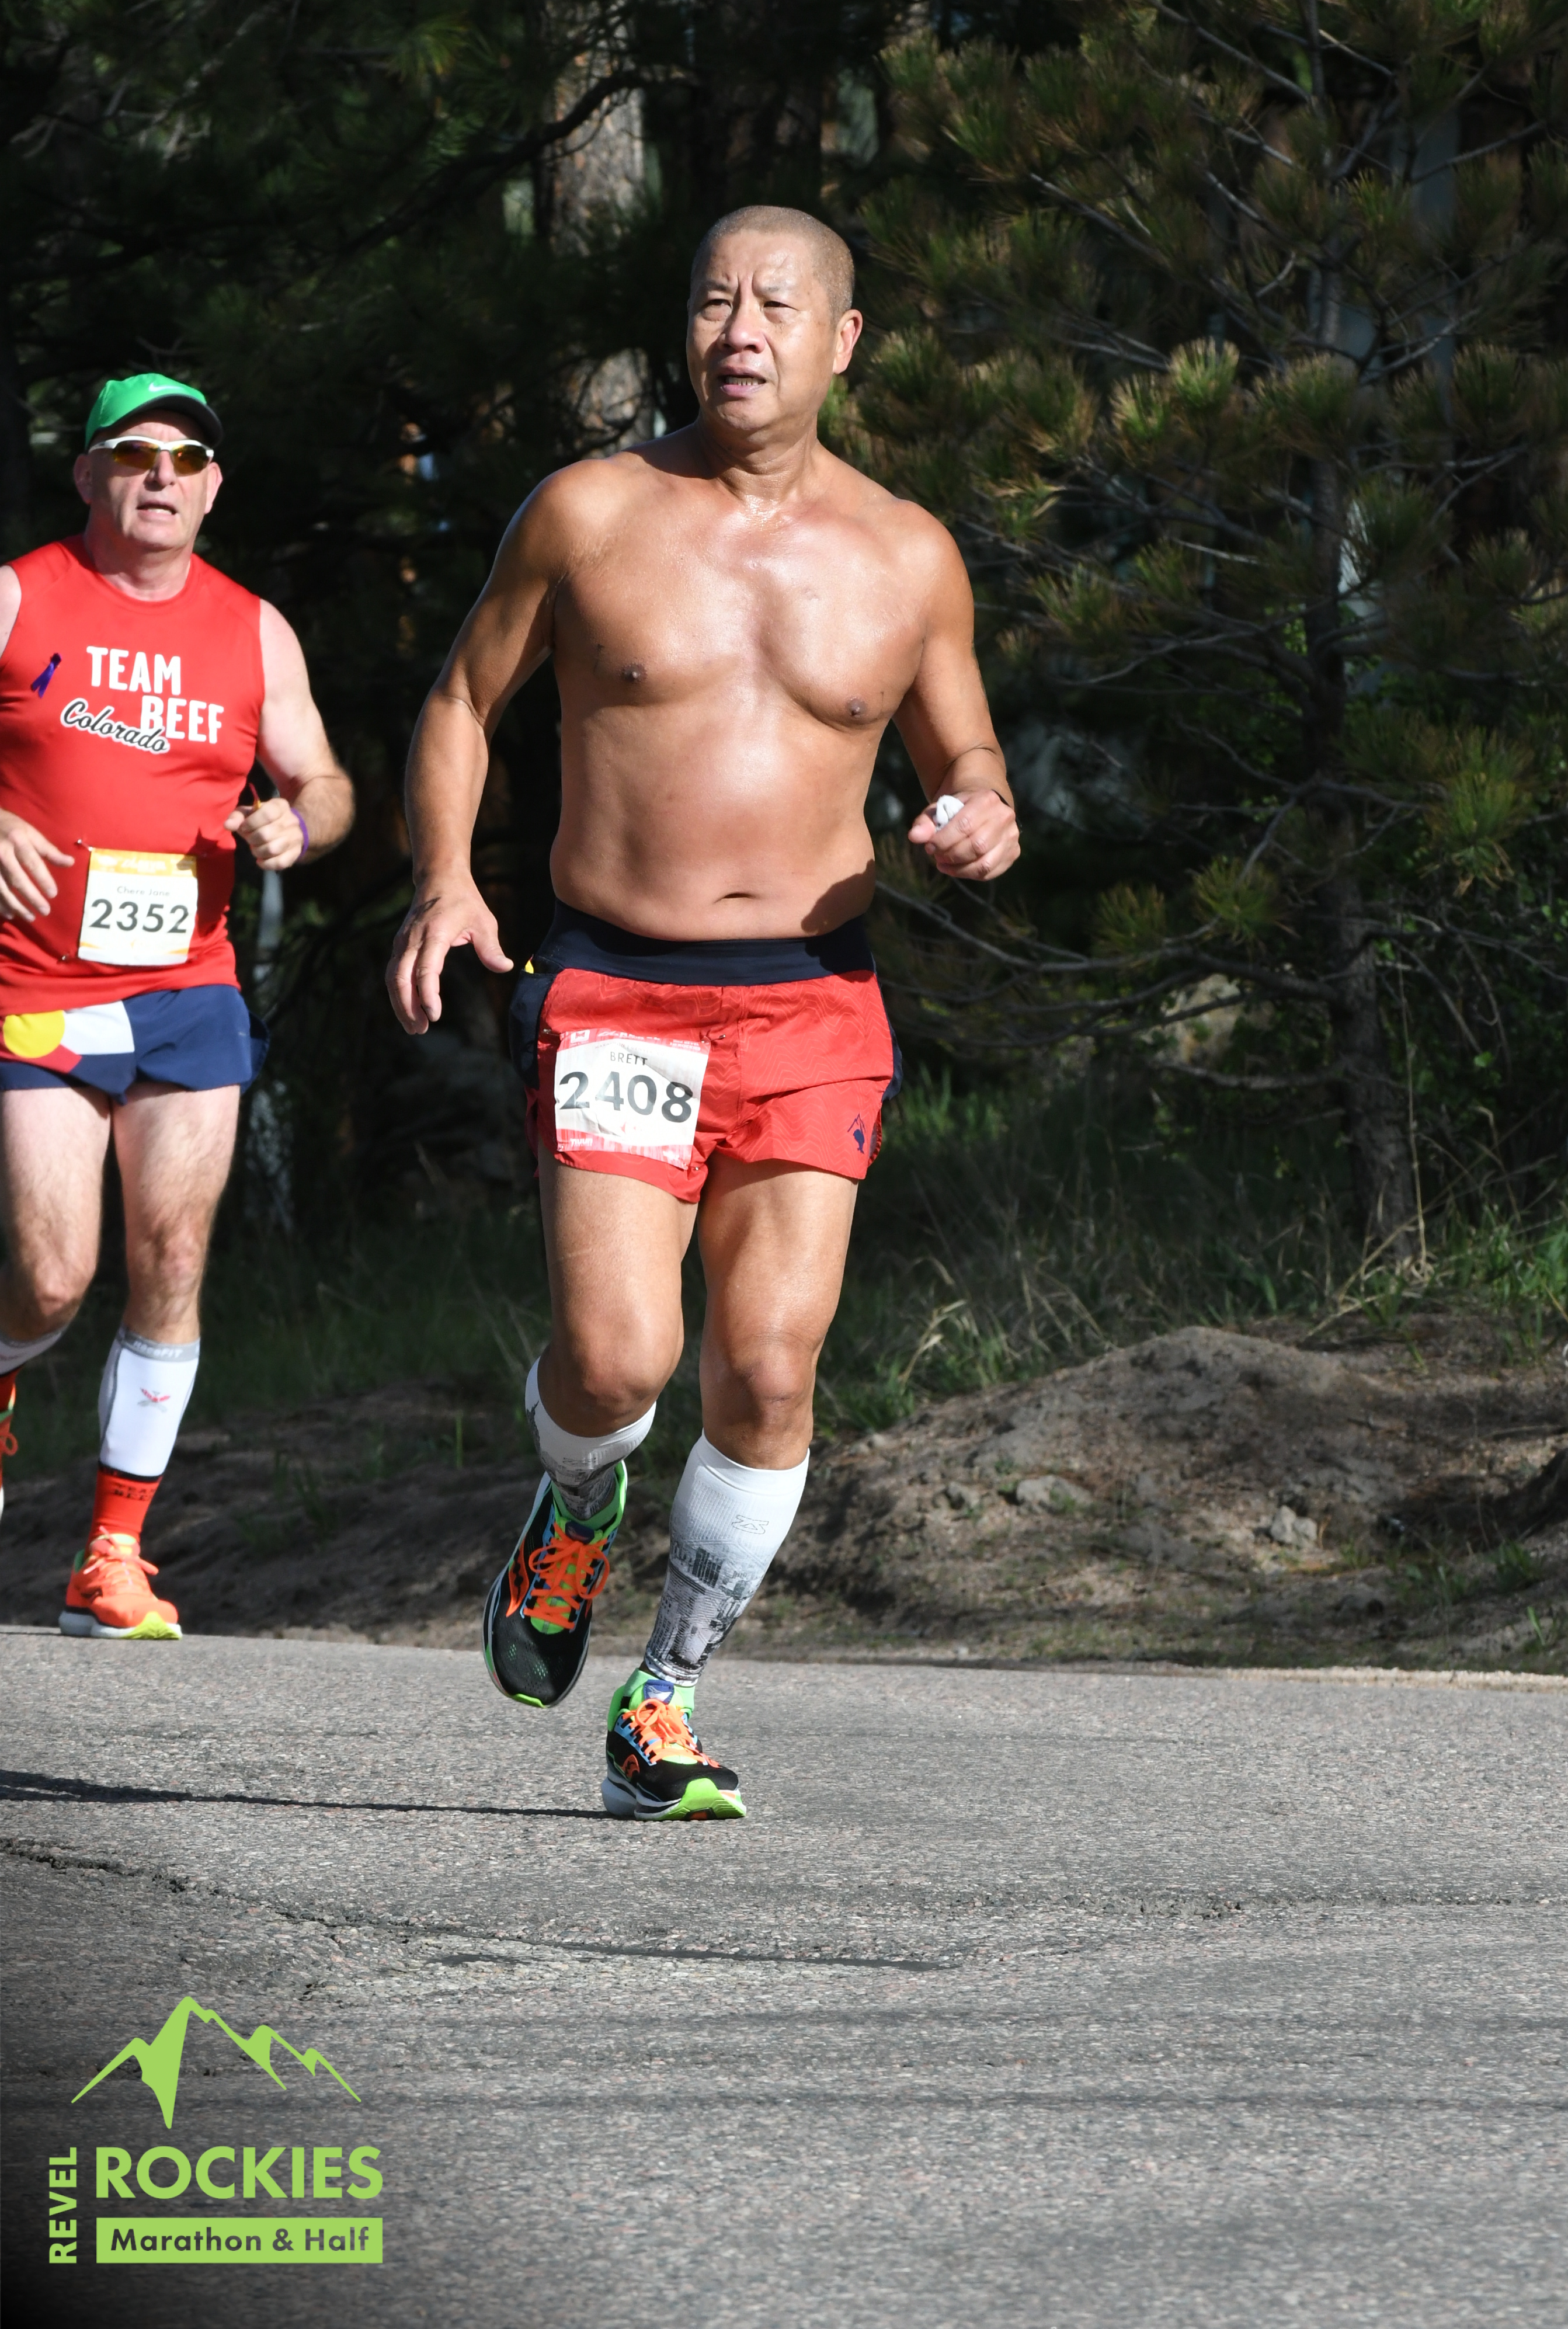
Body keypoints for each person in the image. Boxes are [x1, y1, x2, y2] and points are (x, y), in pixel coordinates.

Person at [387, 205, 1019, 1817]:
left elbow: (967, 754)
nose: (740, 329)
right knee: (616, 1363)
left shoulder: (909, 555)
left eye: (776, 304)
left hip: (815, 1003)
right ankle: (575, 1504)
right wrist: (446, 879)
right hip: (618, 989)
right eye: (715, 300)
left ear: (843, 341)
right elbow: (462, 699)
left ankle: (661, 1700)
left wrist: (982, 814)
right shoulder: (590, 514)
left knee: (772, 1369)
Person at [0, 371, 354, 1640]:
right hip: (35, 988)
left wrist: (299, 824)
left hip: (186, 990)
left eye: (188, 459)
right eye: (136, 453)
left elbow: (326, 781)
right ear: (89, 474)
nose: (162, 476)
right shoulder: (20, 595)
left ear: (213, 490)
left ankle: (113, 1553)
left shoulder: (254, 631)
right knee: (51, 1279)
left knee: (174, 1259)